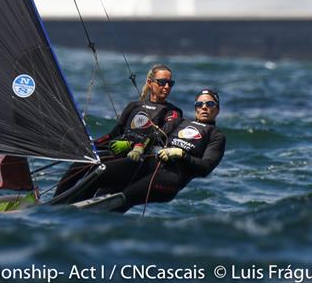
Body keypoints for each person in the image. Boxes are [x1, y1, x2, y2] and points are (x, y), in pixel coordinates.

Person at [69, 88, 226, 213]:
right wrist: (137, 148)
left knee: (122, 199)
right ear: (195, 108)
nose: (204, 107)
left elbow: (205, 168)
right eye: (200, 104)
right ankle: (66, 208)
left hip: (170, 177)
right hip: (148, 164)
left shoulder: (216, 135)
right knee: (100, 173)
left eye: (209, 104)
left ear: (217, 109)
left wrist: (181, 154)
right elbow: (153, 136)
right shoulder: (180, 122)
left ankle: (93, 223)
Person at [53, 64, 183, 197]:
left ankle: (76, 203)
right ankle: (55, 201)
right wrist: (91, 146)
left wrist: (136, 146)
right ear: (150, 83)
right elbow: (114, 134)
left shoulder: (172, 112)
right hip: (119, 155)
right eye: (162, 82)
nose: (167, 87)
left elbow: (159, 135)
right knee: (80, 164)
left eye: (170, 83)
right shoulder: (134, 106)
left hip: (140, 160)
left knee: (99, 171)